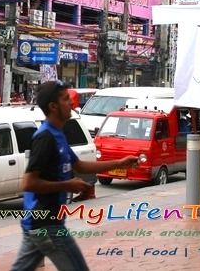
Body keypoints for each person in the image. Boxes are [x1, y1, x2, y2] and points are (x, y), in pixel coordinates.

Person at [11, 80, 139, 271]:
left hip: (39, 223)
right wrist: (67, 185)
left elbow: (79, 165)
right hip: (46, 224)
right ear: (53, 107)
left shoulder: (58, 135)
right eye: (65, 99)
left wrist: (120, 163)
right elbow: (28, 183)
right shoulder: (45, 138)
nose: (72, 102)